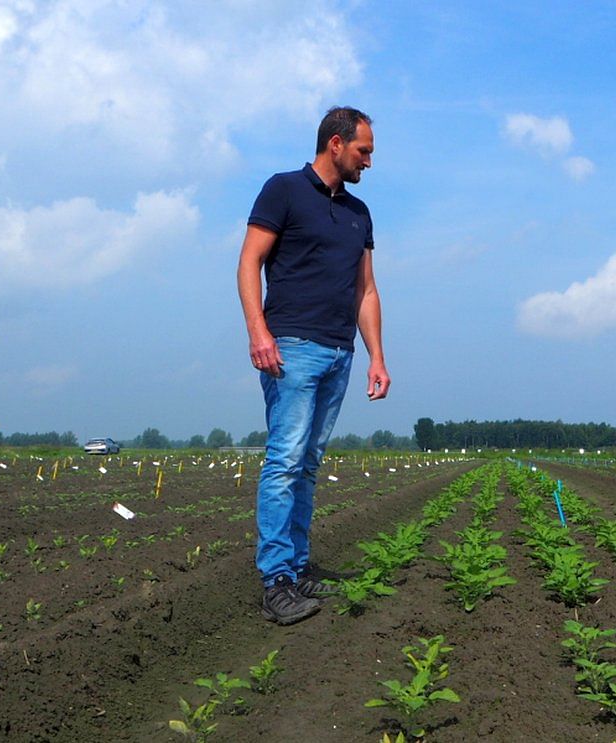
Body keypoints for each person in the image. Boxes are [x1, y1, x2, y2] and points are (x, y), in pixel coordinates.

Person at [236, 106, 390, 625]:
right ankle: (276, 581)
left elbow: (364, 289)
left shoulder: (359, 213)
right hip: (292, 346)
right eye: (363, 151)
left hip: (338, 351)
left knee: (307, 464)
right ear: (336, 145)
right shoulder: (283, 190)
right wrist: (259, 331)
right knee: (283, 461)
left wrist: (376, 358)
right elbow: (249, 260)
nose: (369, 161)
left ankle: (296, 569)